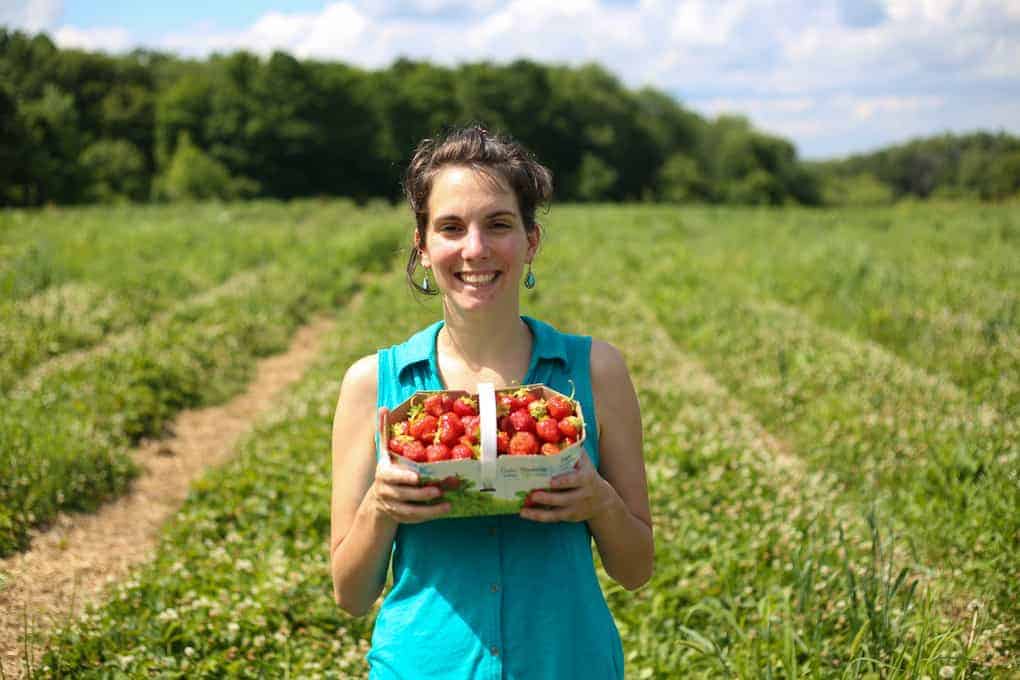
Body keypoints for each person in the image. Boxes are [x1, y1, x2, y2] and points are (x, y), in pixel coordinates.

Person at [329, 125, 653, 679]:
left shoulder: (593, 371)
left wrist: (599, 502)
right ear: (422, 244)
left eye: (498, 224)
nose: (474, 249)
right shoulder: (374, 384)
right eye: (450, 227)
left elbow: (637, 568)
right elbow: (352, 594)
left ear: (530, 241)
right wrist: (380, 508)